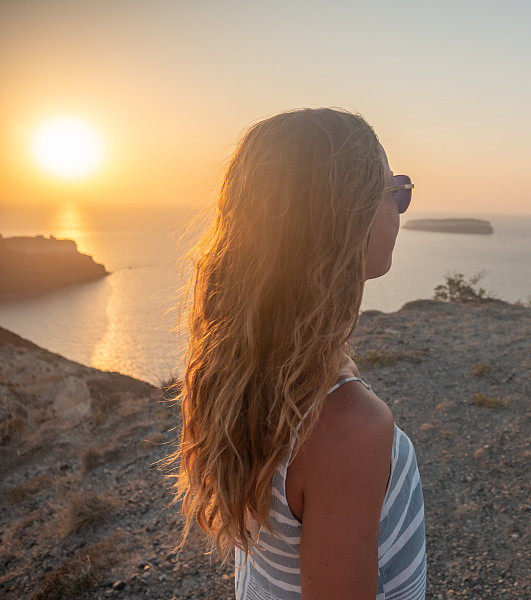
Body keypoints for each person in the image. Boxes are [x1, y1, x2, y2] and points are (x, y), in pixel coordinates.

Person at [163, 107, 426, 599]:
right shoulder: (346, 425)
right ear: (346, 220)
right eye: (397, 193)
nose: (400, 211)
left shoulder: (239, 369)